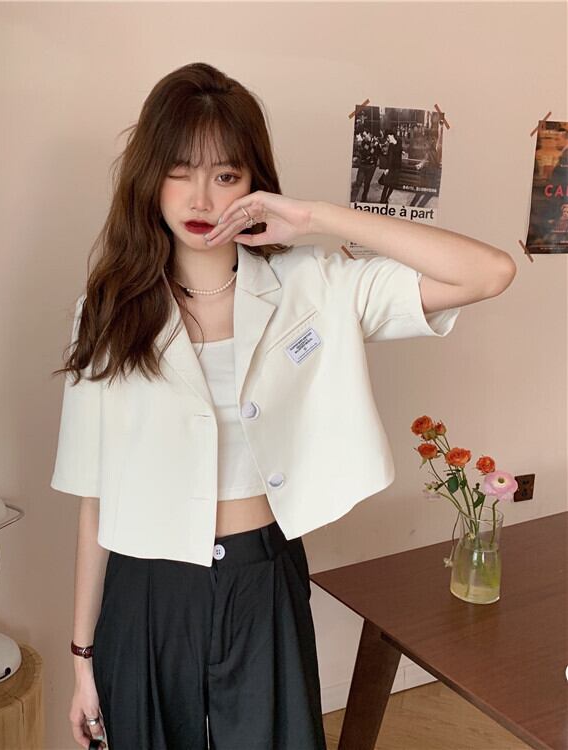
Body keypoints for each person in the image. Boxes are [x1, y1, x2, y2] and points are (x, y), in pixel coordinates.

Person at [50, 62, 515, 750]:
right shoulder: (107, 311)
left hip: (261, 572)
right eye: (180, 171)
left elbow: (489, 273)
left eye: (225, 174)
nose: (201, 197)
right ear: (151, 177)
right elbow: (94, 499)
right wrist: (82, 660)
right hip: (146, 585)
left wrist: (316, 217)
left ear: (254, 184)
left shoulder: (313, 285)